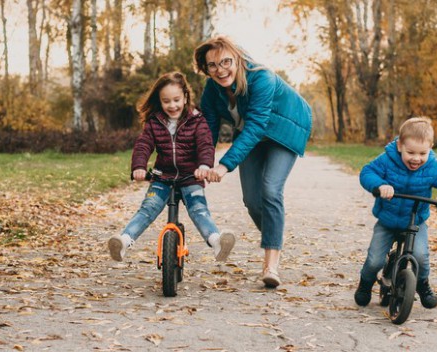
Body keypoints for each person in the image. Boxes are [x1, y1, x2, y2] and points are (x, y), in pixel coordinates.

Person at [193, 36, 312, 288]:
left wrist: (224, 165)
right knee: (252, 200)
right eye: (212, 65)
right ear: (206, 68)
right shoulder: (212, 89)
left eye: (226, 61)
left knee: (270, 190)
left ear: (237, 59)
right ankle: (274, 236)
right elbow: (208, 128)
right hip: (251, 134)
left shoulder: (262, 77)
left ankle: (271, 264)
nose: (220, 69)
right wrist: (203, 162)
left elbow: (257, 125)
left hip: (284, 130)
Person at [108, 72, 235, 263]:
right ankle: (124, 242)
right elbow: (144, 145)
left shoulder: (197, 120)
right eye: (166, 101)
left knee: (199, 209)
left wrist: (203, 166)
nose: (172, 105)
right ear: (160, 101)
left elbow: (205, 144)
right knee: (148, 208)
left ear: (185, 97)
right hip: (162, 177)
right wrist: (139, 167)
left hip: (191, 177)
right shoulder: (155, 122)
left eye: (176, 99)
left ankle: (216, 242)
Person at [355, 117, 437, 308]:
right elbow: (367, 172)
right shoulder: (388, 160)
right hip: (387, 221)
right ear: (399, 146)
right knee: (374, 260)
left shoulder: (432, 166)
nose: (416, 158)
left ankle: (422, 284)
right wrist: (380, 185)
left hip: (415, 221)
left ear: (430, 148)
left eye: (423, 153)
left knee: (420, 256)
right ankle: (365, 283)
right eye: (410, 152)